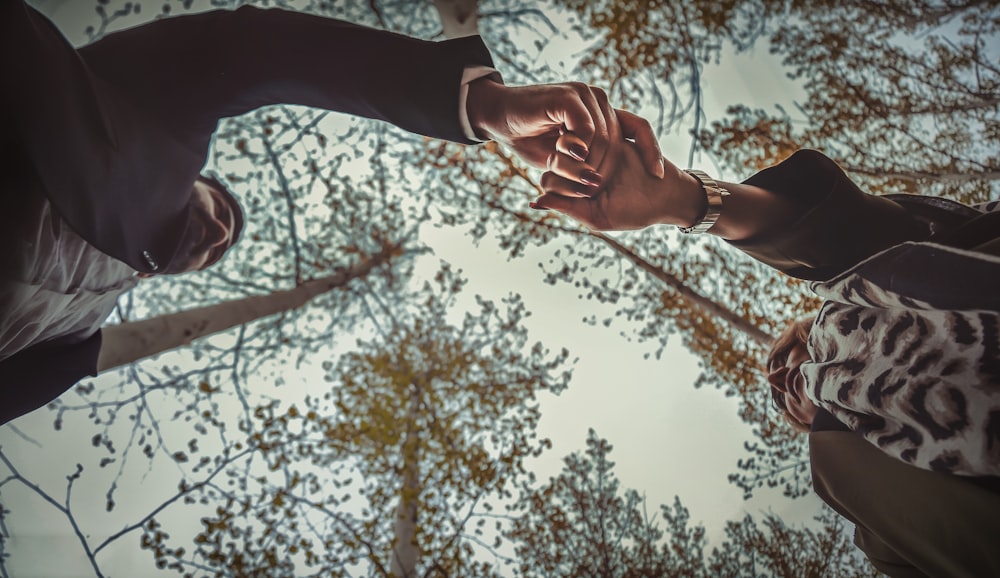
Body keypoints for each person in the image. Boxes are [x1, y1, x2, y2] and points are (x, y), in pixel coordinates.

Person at [0, 2, 669, 425]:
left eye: (222, 243)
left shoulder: (73, 342)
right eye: (221, 208)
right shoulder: (152, 127)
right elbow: (250, 50)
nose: (220, 233)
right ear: (196, 176)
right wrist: (484, 106)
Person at [534, 106, 1000, 576]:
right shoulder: (864, 515)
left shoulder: (855, 301)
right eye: (780, 400)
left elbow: (847, 236)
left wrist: (681, 199)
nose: (779, 379)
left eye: (787, 355)